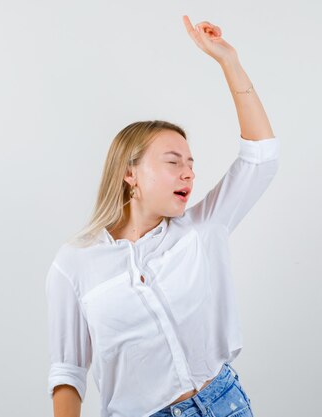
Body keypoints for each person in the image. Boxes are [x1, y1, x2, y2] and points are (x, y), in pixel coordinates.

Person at [46, 15, 280, 417]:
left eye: (191, 162)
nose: (189, 172)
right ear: (129, 173)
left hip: (225, 404)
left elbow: (261, 158)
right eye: (173, 162)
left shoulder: (202, 230)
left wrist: (230, 62)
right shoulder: (74, 263)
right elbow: (68, 373)